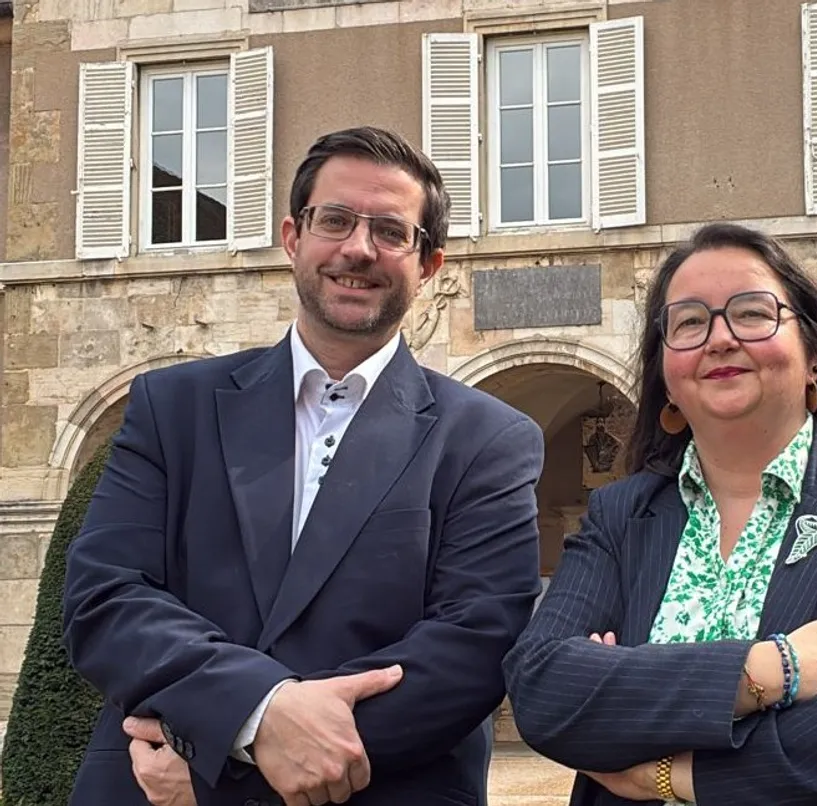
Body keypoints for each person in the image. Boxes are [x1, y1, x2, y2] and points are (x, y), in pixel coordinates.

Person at [62, 125, 545, 806]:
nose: (358, 248)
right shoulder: (172, 408)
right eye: (335, 220)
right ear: (293, 237)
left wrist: (230, 769)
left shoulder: (488, 440)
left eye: (391, 231)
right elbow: (106, 597)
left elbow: (473, 647)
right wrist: (257, 714)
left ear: (429, 265)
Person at [502, 223, 817, 805]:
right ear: (666, 378)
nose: (719, 338)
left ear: (814, 357)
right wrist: (772, 669)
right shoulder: (620, 515)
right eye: (689, 322)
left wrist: (674, 773)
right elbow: (543, 688)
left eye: (753, 313)